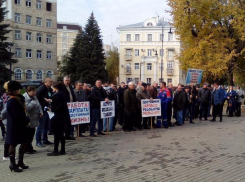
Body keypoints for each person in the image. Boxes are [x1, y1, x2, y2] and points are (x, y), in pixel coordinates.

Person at [6, 81, 29, 172]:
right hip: (15, 126)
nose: (19, 91)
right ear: (13, 91)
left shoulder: (17, 99)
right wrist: (26, 119)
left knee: (24, 142)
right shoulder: (12, 101)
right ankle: (12, 164)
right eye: (17, 89)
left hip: (20, 125)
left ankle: (20, 162)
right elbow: (17, 115)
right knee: (13, 144)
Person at [47, 82, 69, 156]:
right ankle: (62, 149)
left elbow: (58, 106)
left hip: (57, 116)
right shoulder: (63, 93)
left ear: (56, 88)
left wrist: (51, 109)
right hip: (63, 116)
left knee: (56, 134)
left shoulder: (56, 95)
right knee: (61, 134)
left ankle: (55, 150)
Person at [23, 86, 43, 154]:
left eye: (35, 91)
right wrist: (33, 103)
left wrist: (41, 112)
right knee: (27, 135)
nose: (34, 93)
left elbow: (39, 105)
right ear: (28, 91)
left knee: (32, 134)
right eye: (33, 91)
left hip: (35, 118)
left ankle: (30, 147)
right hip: (28, 119)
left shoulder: (35, 97)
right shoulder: (24, 98)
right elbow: (27, 108)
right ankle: (26, 149)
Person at [36, 77, 53, 147]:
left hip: (47, 109)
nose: (51, 83)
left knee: (46, 125)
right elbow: (37, 99)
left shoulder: (49, 89)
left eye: (52, 82)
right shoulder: (41, 89)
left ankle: (45, 139)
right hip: (42, 109)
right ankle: (38, 141)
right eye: (50, 82)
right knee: (40, 126)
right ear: (46, 82)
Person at [62, 76, 77, 140]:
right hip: (65, 106)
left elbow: (73, 95)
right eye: (66, 80)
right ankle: (64, 135)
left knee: (69, 122)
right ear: (63, 81)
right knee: (64, 122)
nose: (67, 81)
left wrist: (75, 101)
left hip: (71, 106)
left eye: (68, 80)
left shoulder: (70, 87)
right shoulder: (62, 87)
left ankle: (68, 135)